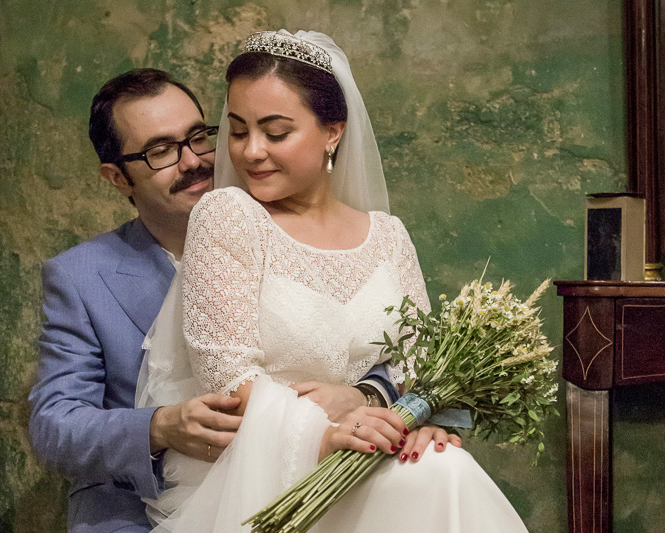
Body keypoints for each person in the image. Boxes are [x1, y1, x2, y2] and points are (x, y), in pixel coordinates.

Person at [137, 30, 529, 532]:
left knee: (443, 465)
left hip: (370, 453)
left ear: (333, 133)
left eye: (275, 133)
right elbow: (227, 377)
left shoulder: (388, 237)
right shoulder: (227, 216)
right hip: (265, 467)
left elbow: (419, 365)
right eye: (237, 131)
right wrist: (322, 437)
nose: (251, 151)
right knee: (442, 478)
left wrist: (404, 417)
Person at [28, 68, 397, 533]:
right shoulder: (81, 276)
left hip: (322, 477)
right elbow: (54, 426)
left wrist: (367, 393)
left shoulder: (307, 231)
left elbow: (372, 343)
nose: (192, 161)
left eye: (198, 137)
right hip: (143, 508)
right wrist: (159, 428)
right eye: (160, 151)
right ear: (117, 177)